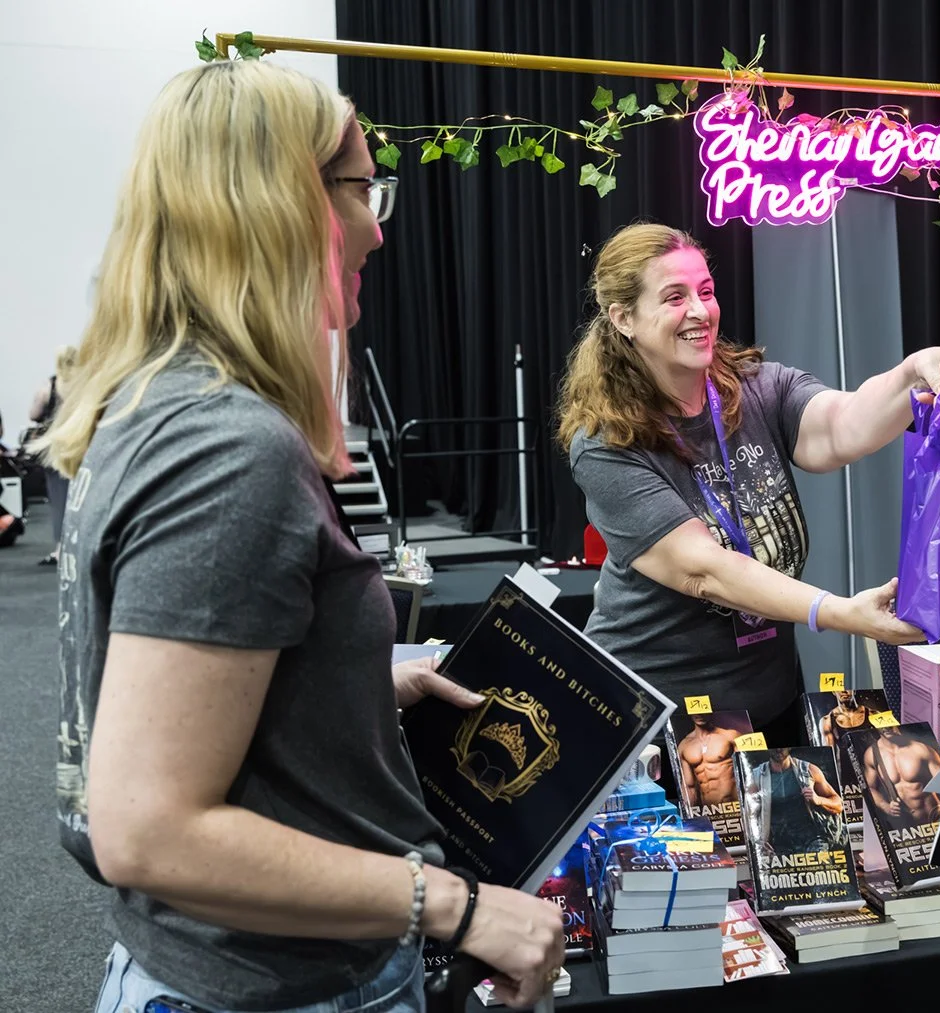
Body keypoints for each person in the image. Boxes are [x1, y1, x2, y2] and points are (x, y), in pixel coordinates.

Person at [39, 60, 563, 1013]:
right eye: (362, 190)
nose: (376, 227)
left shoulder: (160, 402)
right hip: (274, 988)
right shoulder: (228, 449)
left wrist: (350, 685)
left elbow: (178, 694)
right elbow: (148, 829)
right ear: (279, 203)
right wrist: (454, 905)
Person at [557, 222, 940, 746]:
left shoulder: (758, 388)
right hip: (661, 719)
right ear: (623, 318)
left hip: (768, 703)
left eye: (706, 291)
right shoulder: (606, 441)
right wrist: (839, 612)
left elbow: (842, 426)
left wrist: (916, 373)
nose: (700, 311)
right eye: (675, 297)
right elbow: (704, 570)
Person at [745, 748, 845, 857]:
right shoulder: (757, 777)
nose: (778, 749)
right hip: (779, 843)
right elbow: (749, 815)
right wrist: (758, 841)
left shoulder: (808, 770)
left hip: (812, 838)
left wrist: (818, 800)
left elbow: (839, 804)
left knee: (819, 862)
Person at [27, 344, 77, 565]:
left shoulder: (49, 387)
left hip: (56, 450)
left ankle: (60, 549)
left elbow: (33, 414)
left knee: (59, 500)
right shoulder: (85, 384)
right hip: (81, 446)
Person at [858, 725, 940, 825]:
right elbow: (869, 788)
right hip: (905, 824)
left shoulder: (920, 749)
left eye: (889, 724)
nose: (885, 728)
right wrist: (885, 806)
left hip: (934, 817)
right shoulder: (872, 754)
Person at [676, 711, 743, 807]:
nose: (699, 714)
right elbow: (689, 786)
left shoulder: (731, 736)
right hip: (708, 809)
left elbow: (748, 772)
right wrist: (687, 811)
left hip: (734, 805)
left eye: (703, 711)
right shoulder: (684, 745)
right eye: (695, 711)